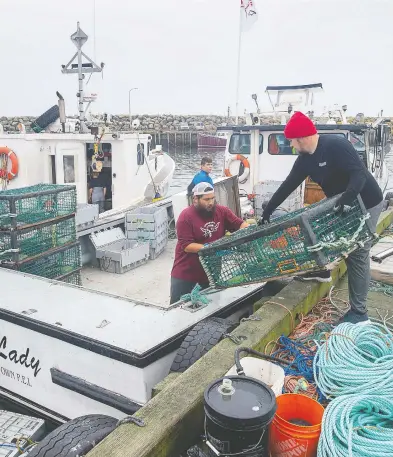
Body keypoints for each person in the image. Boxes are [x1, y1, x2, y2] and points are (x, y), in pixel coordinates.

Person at [260, 111, 384, 325]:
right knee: (318, 230)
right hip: (343, 203)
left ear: (301, 138)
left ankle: (360, 313)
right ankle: (321, 270)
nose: (291, 145)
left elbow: (359, 174)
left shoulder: (336, 145)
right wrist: (268, 211)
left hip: (367, 201)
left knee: (358, 252)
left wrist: (347, 198)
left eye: (291, 141)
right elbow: (288, 185)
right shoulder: (305, 160)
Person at [170, 182, 249, 304]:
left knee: (209, 307)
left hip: (211, 273)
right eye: (206, 199)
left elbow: (240, 224)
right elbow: (186, 246)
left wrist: (246, 231)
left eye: (212, 198)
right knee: (179, 310)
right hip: (186, 274)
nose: (211, 202)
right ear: (195, 199)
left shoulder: (222, 212)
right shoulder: (186, 217)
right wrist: (211, 247)